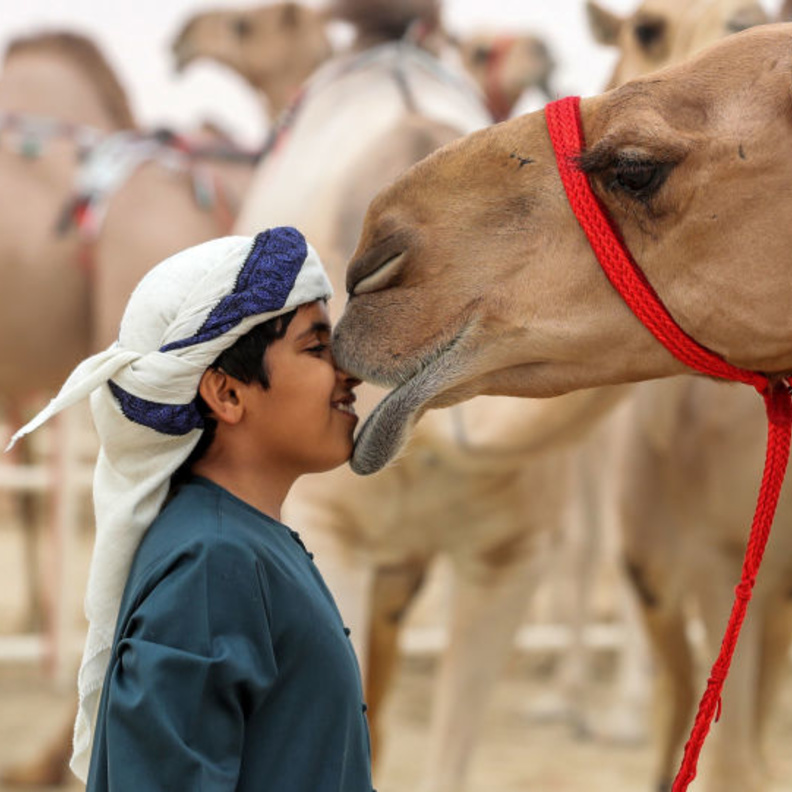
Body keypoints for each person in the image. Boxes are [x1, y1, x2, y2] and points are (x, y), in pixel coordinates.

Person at [7, 226, 373, 791]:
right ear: (226, 394)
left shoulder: (238, 545)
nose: (349, 373)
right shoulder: (213, 564)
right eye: (316, 348)